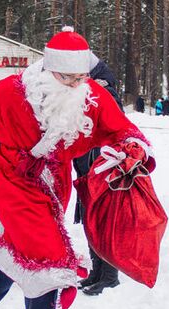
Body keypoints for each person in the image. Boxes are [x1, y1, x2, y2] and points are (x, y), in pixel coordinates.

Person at [0, 27, 156, 309]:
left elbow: (120, 127)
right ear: (49, 69)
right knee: (49, 258)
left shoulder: (90, 94)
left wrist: (131, 147)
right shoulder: (9, 92)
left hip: (55, 184)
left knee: (24, 252)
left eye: (80, 77)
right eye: (67, 77)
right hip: (13, 180)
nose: (74, 84)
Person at [73, 53, 122, 296]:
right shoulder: (86, 90)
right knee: (91, 220)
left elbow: (111, 128)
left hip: (100, 168)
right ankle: (97, 270)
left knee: (102, 222)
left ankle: (110, 275)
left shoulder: (103, 92)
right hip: (86, 165)